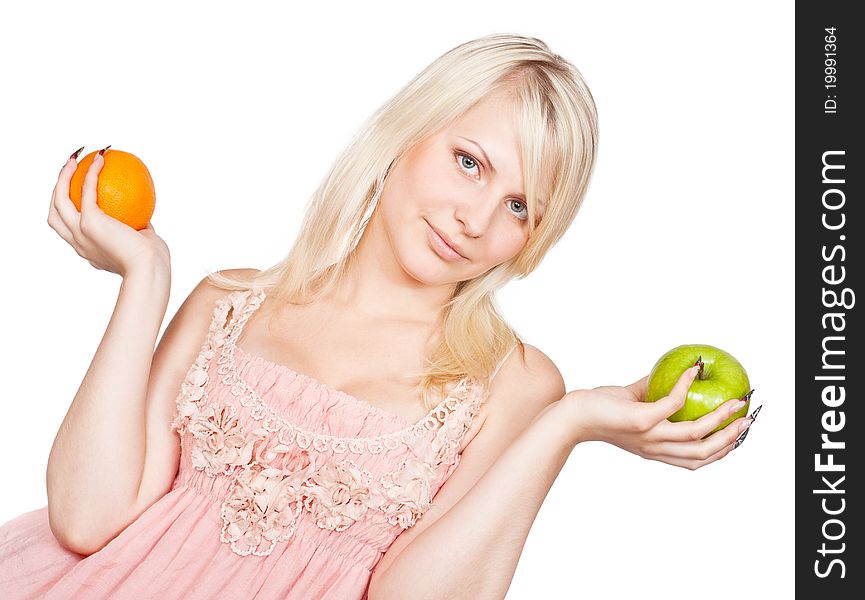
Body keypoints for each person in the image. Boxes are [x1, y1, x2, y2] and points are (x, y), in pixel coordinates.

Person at [0, 33, 755, 599]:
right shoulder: (227, 302)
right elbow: (86, 519)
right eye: (470, 162)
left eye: (519, 207)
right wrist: (144, 279)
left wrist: (566, 425)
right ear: (409, 131)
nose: (475, 219)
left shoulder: (514, 385)